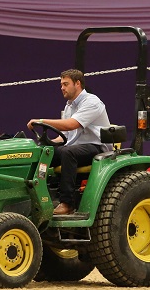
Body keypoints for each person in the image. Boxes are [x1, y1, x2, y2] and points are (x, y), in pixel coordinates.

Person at [26, 69, 110, 215]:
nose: (62, 88)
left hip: (97, 147)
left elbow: (72, 124)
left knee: (68, 153)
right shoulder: (69, 106)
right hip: (76, 146)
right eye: (61, 85)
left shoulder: (92, 102)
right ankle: (35, 197)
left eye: (65, 84)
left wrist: (41, 121)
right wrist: (49, 144)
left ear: (77, 83)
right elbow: (65, 136)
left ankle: (67, 203)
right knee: (43, 151)